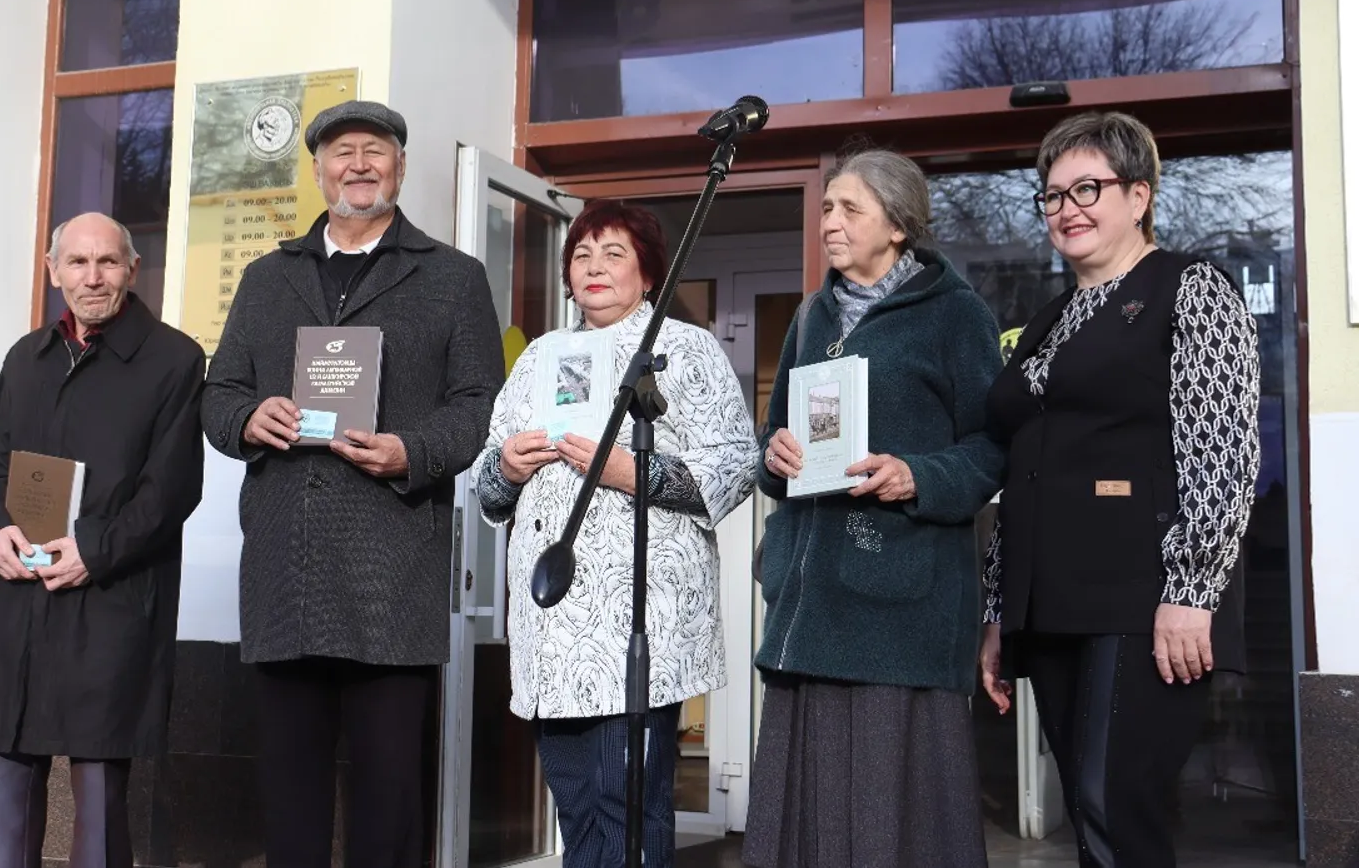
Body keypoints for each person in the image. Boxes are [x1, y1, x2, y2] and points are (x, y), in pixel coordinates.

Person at [201, 100, 505, 868]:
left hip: (389, 573)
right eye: (343, 152)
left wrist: (412, 449)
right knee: (290, 797)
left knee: (388, 799)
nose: (359, 165)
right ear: (318, 171)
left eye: (376, 150)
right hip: (285, 572)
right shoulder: (268, 277)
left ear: (400, 168)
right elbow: (218, 390)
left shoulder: (452, 277)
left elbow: (479, 406)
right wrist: (246, 418)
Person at [979, 111, 1260, 868]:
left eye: (1088, 188)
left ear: (1139, 197)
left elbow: (1223, 450)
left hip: (1144, 598)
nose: (1066, 207)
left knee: (1117, 805)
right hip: (1054, 603)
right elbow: (1021, 470)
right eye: (1052, 194)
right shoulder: (1047, 321)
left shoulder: (1190, 289)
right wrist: (1002, 611)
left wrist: (1192, 589)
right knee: (1087, 809)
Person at [474, 199, 756, 868]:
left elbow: (735, 463)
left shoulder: (684, 349)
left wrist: (637, 472)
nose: (594, 267)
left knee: (625, 804)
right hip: (552, 620)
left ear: (649, 273)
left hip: (638, 618)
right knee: (576, 804)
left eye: (614, 253)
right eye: (582, 254)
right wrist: (506, 467)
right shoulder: (541, 356)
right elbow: (486, 485)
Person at [745, 150, 1005, 868]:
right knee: (807, 815)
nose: (829, 221)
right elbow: (775, 434)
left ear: (897, 225)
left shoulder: (955, 315)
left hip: (900, 606)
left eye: (848, 208)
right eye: (827, 207)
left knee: (895, 819)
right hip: (810, 598)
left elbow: (993, 448)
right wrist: (776, 456)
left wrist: (917, 476)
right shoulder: (810, 315)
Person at [0, 213, 205, 868]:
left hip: (110, 604)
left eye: (107, 262)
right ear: (53, 271)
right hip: (18, 602)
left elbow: (171, 490)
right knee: (2, 797)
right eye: (77, 262)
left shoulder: (175, 360)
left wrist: (95, 550)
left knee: (97, 807)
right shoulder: (25, 358)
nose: (92, 277)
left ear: (132, 269)